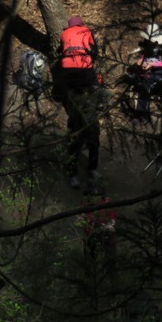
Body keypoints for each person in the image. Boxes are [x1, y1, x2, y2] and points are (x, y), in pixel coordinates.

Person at [59, 16, 102, 191]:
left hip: (68, 69)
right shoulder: (86, 30)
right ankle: (88, 170)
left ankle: (74, 174)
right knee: (85, 140)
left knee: (82, 141)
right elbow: (94, 51)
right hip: (84, 69)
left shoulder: (64, 34)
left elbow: (61, 50)